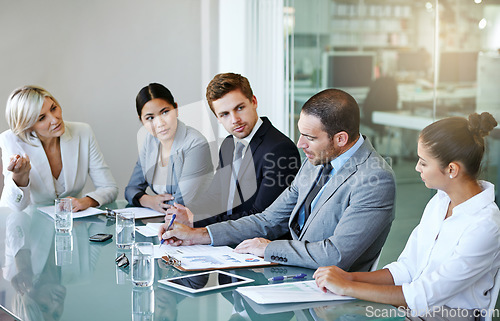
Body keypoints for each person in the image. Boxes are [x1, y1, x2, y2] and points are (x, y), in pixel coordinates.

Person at [159, 88, 396, 270]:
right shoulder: (317, 161)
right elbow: (268, 219)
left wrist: (270, 248)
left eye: (309, 137)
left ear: (341, 139)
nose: (300, 144)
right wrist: (199, 235)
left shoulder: (374, 179)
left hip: (330, 296)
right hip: (291, 275)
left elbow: (335, 255)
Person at [313, 112, 500, 320]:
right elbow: (406, 269)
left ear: (451, 169)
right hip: (413, 308)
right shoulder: (439, 202)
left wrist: (347, 287)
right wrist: (350, 277)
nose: (417, 168)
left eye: (423, 162)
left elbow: (424, 295)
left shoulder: (485, 225)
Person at [166, 73, 300, 227]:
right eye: (225, 114)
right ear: (217, 118)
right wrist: (183, 213)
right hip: (227, 237)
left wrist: (195, 220)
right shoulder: (229, 144)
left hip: (255, 242)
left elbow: (260, 216)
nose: (235, 120)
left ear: (254, 102)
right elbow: (216, 196)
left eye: (240, 108)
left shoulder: (279, 149)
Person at [0, 86, 118, 212]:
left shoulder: (83, 132)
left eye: (53, 108)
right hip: (27, 222)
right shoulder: (10, 140)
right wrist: (19, 176)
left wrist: (86, 201)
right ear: (28, 126)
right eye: (42, 118)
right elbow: (16, 206)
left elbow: (109, 187)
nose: (55, 119)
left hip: (72, 223)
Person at [124, 83, 213, 213]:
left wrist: (153, 202)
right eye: (150, 118)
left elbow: (181, 203)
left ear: (176, 109)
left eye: (165, 112)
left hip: (199, 222)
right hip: (164, 221)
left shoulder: (195, 143)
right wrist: (150, 201)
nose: (160, 123)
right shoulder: (149, 141)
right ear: (141, 120)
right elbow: (131, 189)